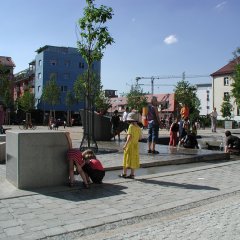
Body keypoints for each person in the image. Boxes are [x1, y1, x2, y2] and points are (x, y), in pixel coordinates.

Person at [119, 112, 142, 179]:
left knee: (126, 158)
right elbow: (140, 138)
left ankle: (124, 173)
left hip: (130, 145)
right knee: (133, 159)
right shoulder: (138, 127)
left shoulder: (131, 126)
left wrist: (125, 145)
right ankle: (132, 174)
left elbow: (129, 137)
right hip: (135, 146)